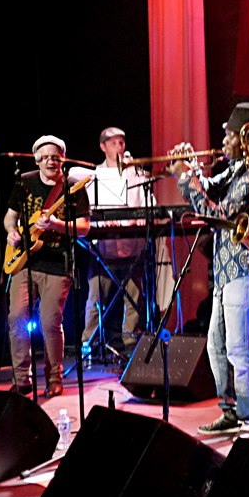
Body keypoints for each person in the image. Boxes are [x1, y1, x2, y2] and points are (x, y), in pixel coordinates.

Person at [169, 102, 249, 440]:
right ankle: (231, 411)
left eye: (229, 135)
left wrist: (186, 178)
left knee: (242, 349)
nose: (223, 140)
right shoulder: (234, 170)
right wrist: (190, 168)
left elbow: (217, 213)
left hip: (244, 269)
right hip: (225, 273)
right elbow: (211, 187)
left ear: (246, 140)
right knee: (217, 347)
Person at [4, 135, 91, 397]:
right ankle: (22, 379)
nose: (51, 161)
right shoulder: (25, 182)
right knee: (16, 318)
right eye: (46, 157)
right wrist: (11, 233)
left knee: (50, 322)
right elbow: (10, 217)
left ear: (62, 159)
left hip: (57, 264)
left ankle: (54, 377)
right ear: (37, 159)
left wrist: (56, 225)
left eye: (56, 157)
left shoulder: (73, 187)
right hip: (24, 262)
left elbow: (84, 227)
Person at [81, 126, 151, 358]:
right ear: (103, 147)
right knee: (96, 298)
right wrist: (102, 224)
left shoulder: (136, 173)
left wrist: (140, 221)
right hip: (104, 248)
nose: (119, 147)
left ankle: (129, 339)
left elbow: (148, 203)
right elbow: (88, 208)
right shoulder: (94, 176)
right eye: (113, 143)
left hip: (131, 245)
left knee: (134, 297)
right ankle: (89, 341)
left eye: (122, 142)